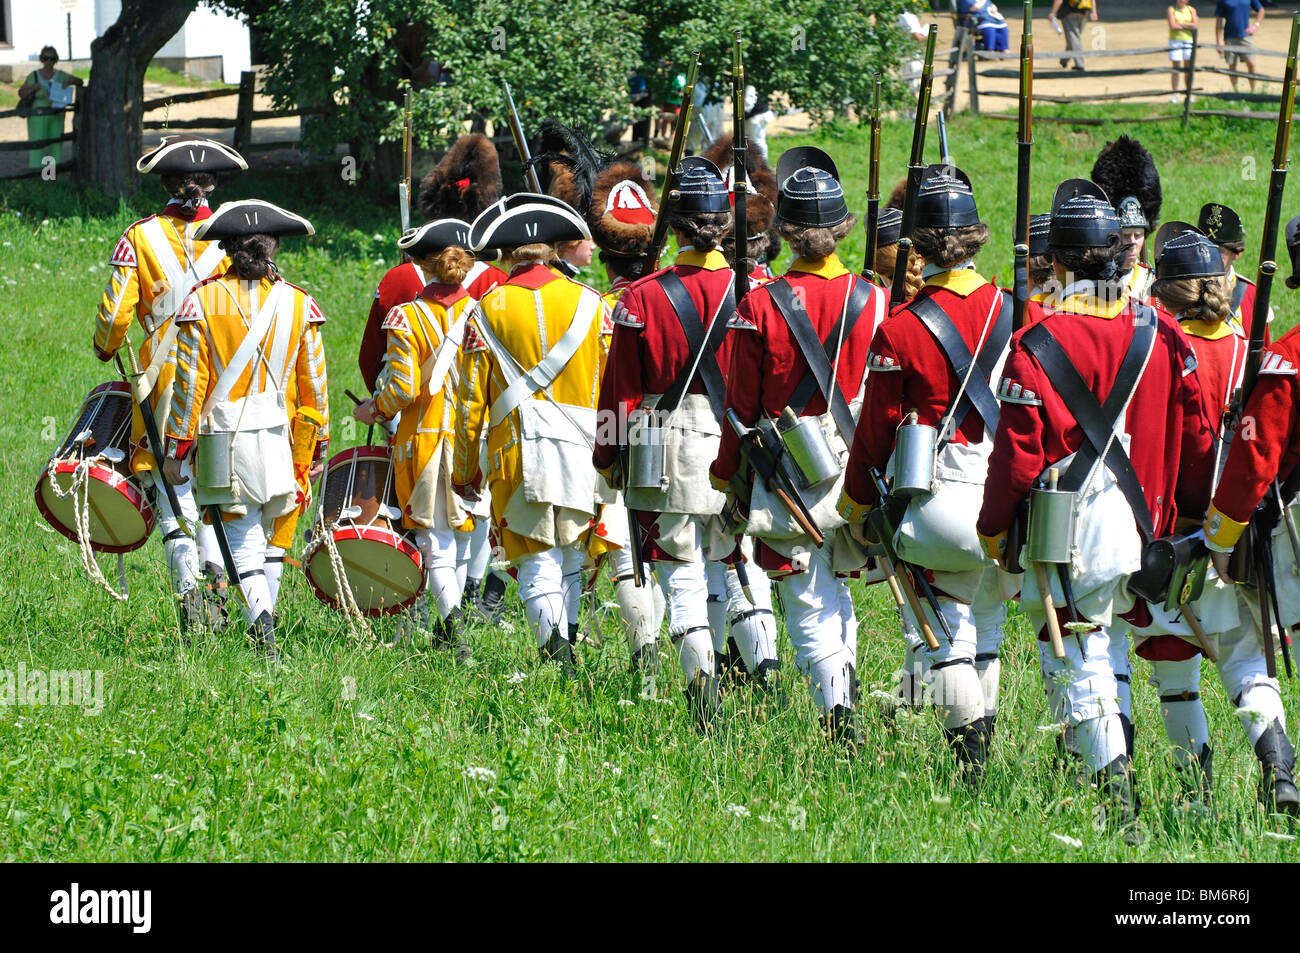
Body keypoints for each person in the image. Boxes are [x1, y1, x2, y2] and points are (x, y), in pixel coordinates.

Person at [977, 182, 1213, 836]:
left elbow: (1018, 457)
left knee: (1076, 660)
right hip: (1144, 529)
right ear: (1117, 254)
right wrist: (1188, 528)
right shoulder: (1164, 332)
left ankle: (1118, 804)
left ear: (1057, 263)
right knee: (1099, 652)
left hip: (1069, 528)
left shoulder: (1037, 342)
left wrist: (994, 527)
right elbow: (1198, 440)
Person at [841, 166, 1014, 782]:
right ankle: (983, 750)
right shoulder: (1016, 311)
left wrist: (858, 504)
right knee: (983, 623)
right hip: (1006, 495)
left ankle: (970, 760)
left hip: (938, 494)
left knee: (943, 631)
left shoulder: (901, 326)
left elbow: (877, 429)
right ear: (975, 238)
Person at [711, 146, 887, 746]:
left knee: (808, 597)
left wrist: (727, 478)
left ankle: (838, 721)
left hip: (790, 468)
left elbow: (739, 408)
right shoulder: (874, 298)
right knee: (837, 588)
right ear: (841, 228)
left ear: (785, 230)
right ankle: (845, 695)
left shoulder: (760, 303)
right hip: (859, 463)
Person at [593, 157, 776, 728]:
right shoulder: (760, 292)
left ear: (672, 227)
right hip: (737, 448)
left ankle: (704, 698)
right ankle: (765, 673)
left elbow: (620, 392)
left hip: (663, 448)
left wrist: (606, 456)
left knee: (683, 575)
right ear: (726, 224)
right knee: (736, 563)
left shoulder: (643, 297)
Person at [1134, 226, 1296, 814]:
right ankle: (1277, 765)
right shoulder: (1246, 346)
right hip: (1242, 530)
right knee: (1248, 660)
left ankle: (1193, 799)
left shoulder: (1162, 346)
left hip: (1175, 525)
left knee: (1173, 666)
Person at [93, 135, 248, 636]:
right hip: (225, 373)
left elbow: (115, 318)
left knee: (170, 484)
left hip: (162, 376)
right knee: (218, 486)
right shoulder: (235, 236)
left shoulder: (138, 237)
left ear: (164, 184)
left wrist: (105, 345)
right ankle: (219, 591)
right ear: (212, 185)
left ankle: (189, 599)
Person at [163, 200, 329, 659]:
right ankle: (264, 627)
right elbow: (314, 389)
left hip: (224, 439)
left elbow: (190, 385)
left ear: (228, 249)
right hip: (278, 437)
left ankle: (262, 631)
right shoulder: (300, 303)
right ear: (272, 247)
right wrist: (315, 451)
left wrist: (177, 448)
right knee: (268, 538)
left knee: (243, 540)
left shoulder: (202, 300)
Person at [453, 196, 610, 675]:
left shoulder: (485, 310)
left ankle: (558, 658)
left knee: (534, 556)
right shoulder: (592, 303)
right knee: (570, 553)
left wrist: (464, 470)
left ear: (506, 255)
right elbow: (610, 383)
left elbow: (468, 406)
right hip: (584, 446)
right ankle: (565, 651)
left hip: (514, 453)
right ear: (553, 251)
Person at [1197, 215, 1300, 815]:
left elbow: (1256, 461)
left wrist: (1219, 534)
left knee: (1255, 644)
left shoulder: (1287, 360)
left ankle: (1281, 770)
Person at [1090, 135, 1162, 303]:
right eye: (1125, 234)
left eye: (1137, 235)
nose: (1132, 243)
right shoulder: (1088, 284)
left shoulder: (1157, 286)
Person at [1198, 202, 1272, 345]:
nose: (1209, 256)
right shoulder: (1183, 287)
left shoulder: (1251, 295)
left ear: (1237, 253)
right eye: (1204, 247)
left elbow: (1262, 348)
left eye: (1219, 251)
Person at [17, 47, 82, 169]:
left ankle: (50, 175)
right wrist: (32, 89)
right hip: (37, 117)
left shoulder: (61, 75)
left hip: (56, 115)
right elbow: (21, 93)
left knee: (55, 144)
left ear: (56, 60)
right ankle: (37, 174)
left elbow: (80, 81)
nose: (49, 61)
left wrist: (69, 82)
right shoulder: (34, 76)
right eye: (46, 58)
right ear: (42, 59)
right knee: (37, 145)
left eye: (52, 58)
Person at [1216, 0, 1265, 94]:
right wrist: (1218, 40)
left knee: (1251, 64)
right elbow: (1219, 20)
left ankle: (1253, 92)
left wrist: (1255, 26)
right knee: (1232, 65)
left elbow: (1261, 10)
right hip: (1229, 37)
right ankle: (1236, 92)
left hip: (1245, 37)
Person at [1050, 0, 1098, 71]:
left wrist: (1053, 12)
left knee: (1074, 38)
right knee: (1074, 39)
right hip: (1084, 13)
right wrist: (1094, 12)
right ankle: (1064, 59)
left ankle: (1080, 64)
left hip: (1068, 13)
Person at [1169, 1, 1200, 100]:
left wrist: (1181, 24)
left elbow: (1195, 25)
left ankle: (1189, 92)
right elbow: (1173, 26)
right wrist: (1188, 25)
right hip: (1175, 41)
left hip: (1188, 40)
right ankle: (1174, 93)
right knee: (1175, 68)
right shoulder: (1171, 10)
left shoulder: (1191, 10)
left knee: (1188, 68)